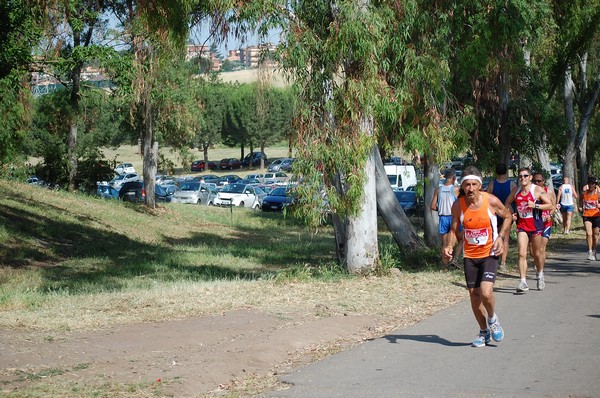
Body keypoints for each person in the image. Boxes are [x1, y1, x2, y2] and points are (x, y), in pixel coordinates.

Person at [443, 166, 511, 347]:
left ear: (480, 185)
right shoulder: (458, 205)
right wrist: (449, 245)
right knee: (474, 295)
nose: (471, 188)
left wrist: (501, 237)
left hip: (489, 253)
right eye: (467, 185)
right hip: (470, 256)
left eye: (474, 184)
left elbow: (508, 216)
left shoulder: (492, 201)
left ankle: (493, 319)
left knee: (486, 293)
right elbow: (453, 228)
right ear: (462, 187)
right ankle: (483, 333)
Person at [505, 167, 554, 292]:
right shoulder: (516, 190)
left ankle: (540, 273)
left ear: (530, 177)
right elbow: (507, 203)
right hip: (522, 226)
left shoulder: (537, 190)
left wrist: (535, 205)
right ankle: (523, 282)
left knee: (536, 254)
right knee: (522, 253)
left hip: (536, 226)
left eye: (525, 176)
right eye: (520, 176)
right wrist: (512, 213)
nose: (523, 178)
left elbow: (550, 205)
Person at [487, 163, 517, 271]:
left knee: (494, 236)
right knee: (505, 238)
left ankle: (495, 258)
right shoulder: (511, 184)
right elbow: (516, 198)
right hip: (506, 213)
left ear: (496, 172)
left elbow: (487, 197)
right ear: (506, 172)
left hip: (494, 213)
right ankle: (503, 262)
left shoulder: (492, 184)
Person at [430, 169, 462, 269]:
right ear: (454, 178)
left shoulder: (438, 190)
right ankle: (455, 259)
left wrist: (441, 209)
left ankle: (445, 266)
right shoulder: (457, 189)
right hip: (454, 218)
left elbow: (432, 206)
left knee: (444, 243)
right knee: (461, 239)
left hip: (443, 217)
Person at [532, 172, 556, 266]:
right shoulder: (531, 192)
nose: (537, 183)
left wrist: (550, 215)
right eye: (535, 181)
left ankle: (540, 269)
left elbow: (553, 206)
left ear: (543, 181)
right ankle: (537, 260)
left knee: (542, 247)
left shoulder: (549, 192)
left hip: (546, 223)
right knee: (533, 249)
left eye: (539, 181)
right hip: (534, 223)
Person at [580, 176, 600, 260]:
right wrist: (580, 207)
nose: (591, 185)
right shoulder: (584, 193)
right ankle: (590, 251)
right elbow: (580, 201)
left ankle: (594, 250)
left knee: (595, 235)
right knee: (589, 234)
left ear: (595, 185)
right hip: (587, 215)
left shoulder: (598, 194)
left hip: (596, 215)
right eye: (589, 183)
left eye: (593, 183)